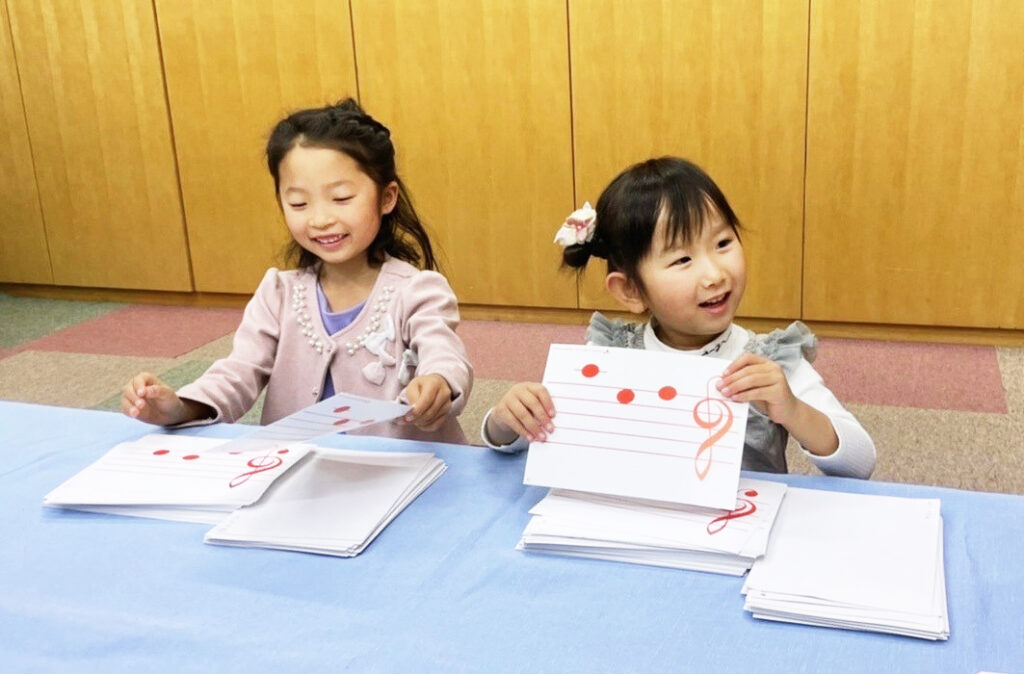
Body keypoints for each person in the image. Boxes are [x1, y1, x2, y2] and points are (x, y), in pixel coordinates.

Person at [482, 157, 875, 477]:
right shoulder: (611, 353)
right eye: (683, 259)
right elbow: (520, 440)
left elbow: (860, 462)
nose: (714, 274)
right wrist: (506, 420)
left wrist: (792, 410)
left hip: (736, 534)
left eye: (723, 243)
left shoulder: (770, 361)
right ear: (631, 291)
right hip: (639, 531)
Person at [121, 98, 473, 443]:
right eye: (299, 203)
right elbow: (238, 373)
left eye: (341, 198)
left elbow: (444, 354)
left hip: (398, 472)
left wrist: (438, 383)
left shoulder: (418, 290)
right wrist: (180, 407)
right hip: (298, 471)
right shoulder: (278, 293)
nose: (320, 219)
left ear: (386, 198)